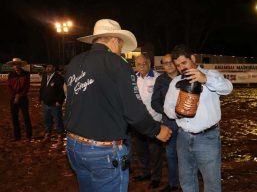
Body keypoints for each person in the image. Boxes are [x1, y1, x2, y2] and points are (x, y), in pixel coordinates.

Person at [64, 19, 172, 192]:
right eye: (121, 46)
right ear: (114, 40)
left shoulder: (74, 62)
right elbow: (133, 111)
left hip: (74, 146)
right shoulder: (118, 64)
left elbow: (69, 97)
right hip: (102, 151)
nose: (121, 51)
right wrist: (157, 130)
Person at [164, 45, 233, 192]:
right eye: (178, 65)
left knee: (212, 184)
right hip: (183, 137)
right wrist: (178, 112)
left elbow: (228, 88)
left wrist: (205, 79)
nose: (181, 67)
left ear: (193, 58)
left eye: (184, 63)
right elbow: (167, 108)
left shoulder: (211, 74)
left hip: (207, 138)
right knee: (187, 181)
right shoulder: (175, 82)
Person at [132, 54, 163, 189]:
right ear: (135, 66)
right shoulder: (133, 78)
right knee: (141, 150)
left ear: (149, 63)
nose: (142, 66)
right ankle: (144, 172)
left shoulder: (158, 78)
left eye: (144, 63)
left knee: (155, 152)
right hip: (138, 122)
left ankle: (156, 177)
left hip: (154, 121)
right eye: (139, 64)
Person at [151, 54, 180, 192]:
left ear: (175, 63)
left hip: (188, 122)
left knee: (189, 152)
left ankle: (190, 181)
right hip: (169, 121)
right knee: (170, 154)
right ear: (162, 65)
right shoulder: (160, 80)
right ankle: (173, 183)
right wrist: (167, 111)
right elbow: (154, 101)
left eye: (171, 62)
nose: (168, 65)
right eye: (165, 63)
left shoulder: (186, 77)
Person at [6, 58, 32, 142]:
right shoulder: (11, 75)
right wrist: (15, 95)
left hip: (23, 98)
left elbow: (27, 87)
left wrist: (19, 95)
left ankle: (29, 136)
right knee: (14, 118)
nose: (16, 66)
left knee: (26, 117)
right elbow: (9, 86)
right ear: (13, 66)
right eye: (14, 64)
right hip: (13, 98)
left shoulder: (26, 74)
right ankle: (17, 136)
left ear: (20, 65)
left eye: (17, 64)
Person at [39, 63, 65, 144]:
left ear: (54, 67)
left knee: (58, 120)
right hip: (45, 103)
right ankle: (48, 135)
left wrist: (59, 101)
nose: (47, 68)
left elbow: (63, 91)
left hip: (55, 104)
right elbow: (42, 88)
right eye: (46, 67)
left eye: (49, 66)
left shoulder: (59, 77)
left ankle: (60, 136)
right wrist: (40, 98)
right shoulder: (44, 76)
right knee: (47, 120)